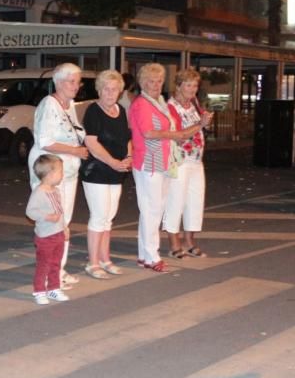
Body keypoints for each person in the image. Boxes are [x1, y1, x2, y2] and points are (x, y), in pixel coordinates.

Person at [128, 63, 200, 271]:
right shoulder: (142, 103)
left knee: (152, 210)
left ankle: (145, 254)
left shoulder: (158, 101)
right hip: (149, 162)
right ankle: (152, 256)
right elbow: (148, 132)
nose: (156, 84)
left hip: (163, 162)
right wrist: (175, 135)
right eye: (151, 81)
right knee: (152, 211)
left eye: (159, 80)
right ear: (142, 83)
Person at [27, 63, 87, 288]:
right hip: (49, 173)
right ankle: (48, 275)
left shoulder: (68, 105)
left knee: (64, 222)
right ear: (59, 82)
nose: (76, 86)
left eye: (78, 81)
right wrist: (75, 151)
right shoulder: (48, 104)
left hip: (67, 172)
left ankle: (57, 270)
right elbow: (45, 141)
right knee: (51, 223)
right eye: (72, 81)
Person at [81, 70, 131, 279]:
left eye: (115, 89)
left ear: (120, 91)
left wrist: (129, 157)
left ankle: (105, 259)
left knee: (109, 217)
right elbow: (91, 142)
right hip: (97, 171)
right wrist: (113, 162)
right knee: (99, 216)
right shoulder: (93, 111)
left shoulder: (120, 110)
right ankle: (92, 263)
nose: (110, 93)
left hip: (117, 171)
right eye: (106, 89)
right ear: (99, 90)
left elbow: (127, 138)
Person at [164, 68, 213, 257]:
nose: (193, 89)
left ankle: (190, 240)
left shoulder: (194, 103)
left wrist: (205, 123)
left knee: (195, 200)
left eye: (195, 86)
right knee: (175, 200)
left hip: (196, 160)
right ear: (178, 86)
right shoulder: (170, 107)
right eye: (188, 85)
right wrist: (200, 124)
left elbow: (199, 127)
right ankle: (174, 243)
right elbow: (178, 135)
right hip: (180, 161)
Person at [27, 154, 69, 304]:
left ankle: (53, 288)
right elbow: (30, 212)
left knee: (55, 263)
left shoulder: (56, 191)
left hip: (57, 234)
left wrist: (64, 227)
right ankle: (39, 291)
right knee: (43, 264)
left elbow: (60, 211)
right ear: (50, 174)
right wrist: (46, 216)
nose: (62, 175)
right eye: (60, 171)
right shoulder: (39, 193)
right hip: (45, 236)